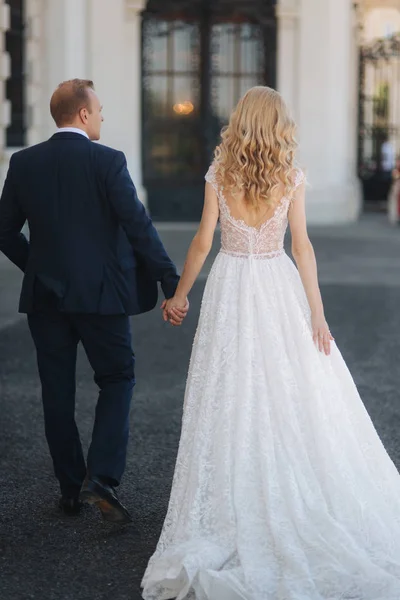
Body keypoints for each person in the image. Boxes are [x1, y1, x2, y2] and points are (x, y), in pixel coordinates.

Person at [142, 86, 400, 599]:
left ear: (239, 121)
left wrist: (178, 295)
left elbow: (202, 241)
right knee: (288, 389)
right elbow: (301, 246)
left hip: (232, 284)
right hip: (277, 283)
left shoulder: (219, 174)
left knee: (232, 387)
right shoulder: (291, 176)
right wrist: (316, 315)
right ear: (279, 125)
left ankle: (238, 492)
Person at [0, 79, 187, 524]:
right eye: (99, 110)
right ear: (83, 114)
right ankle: (101, 478)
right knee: (118, 378)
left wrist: (39, 269)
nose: (102, 116)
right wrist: (168, 281)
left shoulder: (23, 162)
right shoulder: (107, 162)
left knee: (57, 393)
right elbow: (137, 224)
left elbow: (4, 231)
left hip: (46, 299)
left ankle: (69, 488)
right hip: (102, 296)